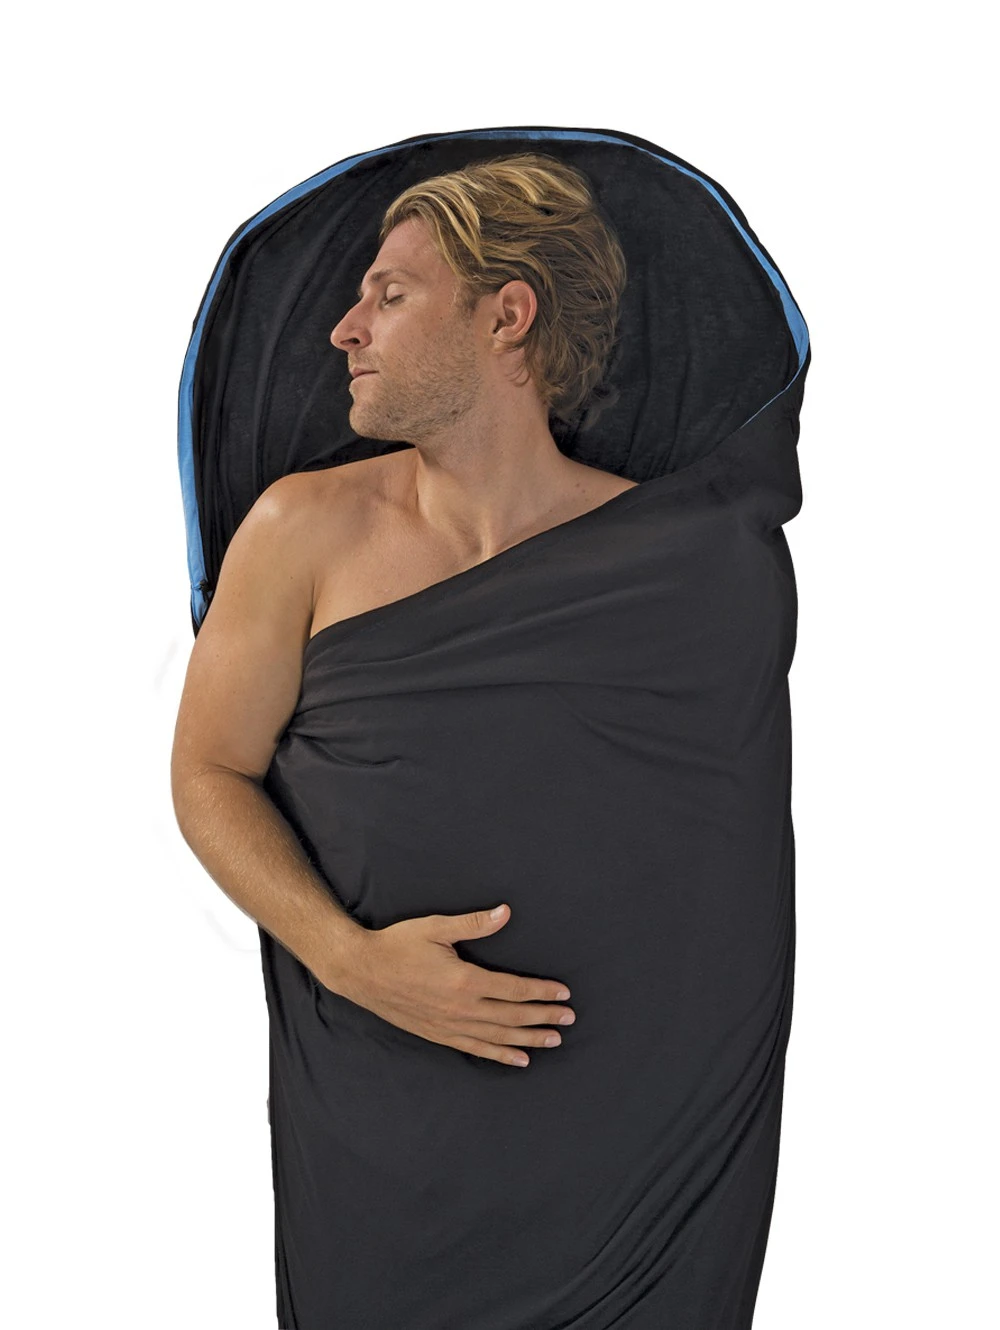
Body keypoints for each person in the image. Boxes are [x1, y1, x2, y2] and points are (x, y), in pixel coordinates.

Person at [171, 152, 633, 1068]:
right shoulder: (300, 529)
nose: (345, 331)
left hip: (620, 1062)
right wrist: (350, 962)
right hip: (369, 1071)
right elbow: (209, 771)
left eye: (390, 297)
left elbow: (724, 823)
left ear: (506, 317)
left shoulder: (660, 553)